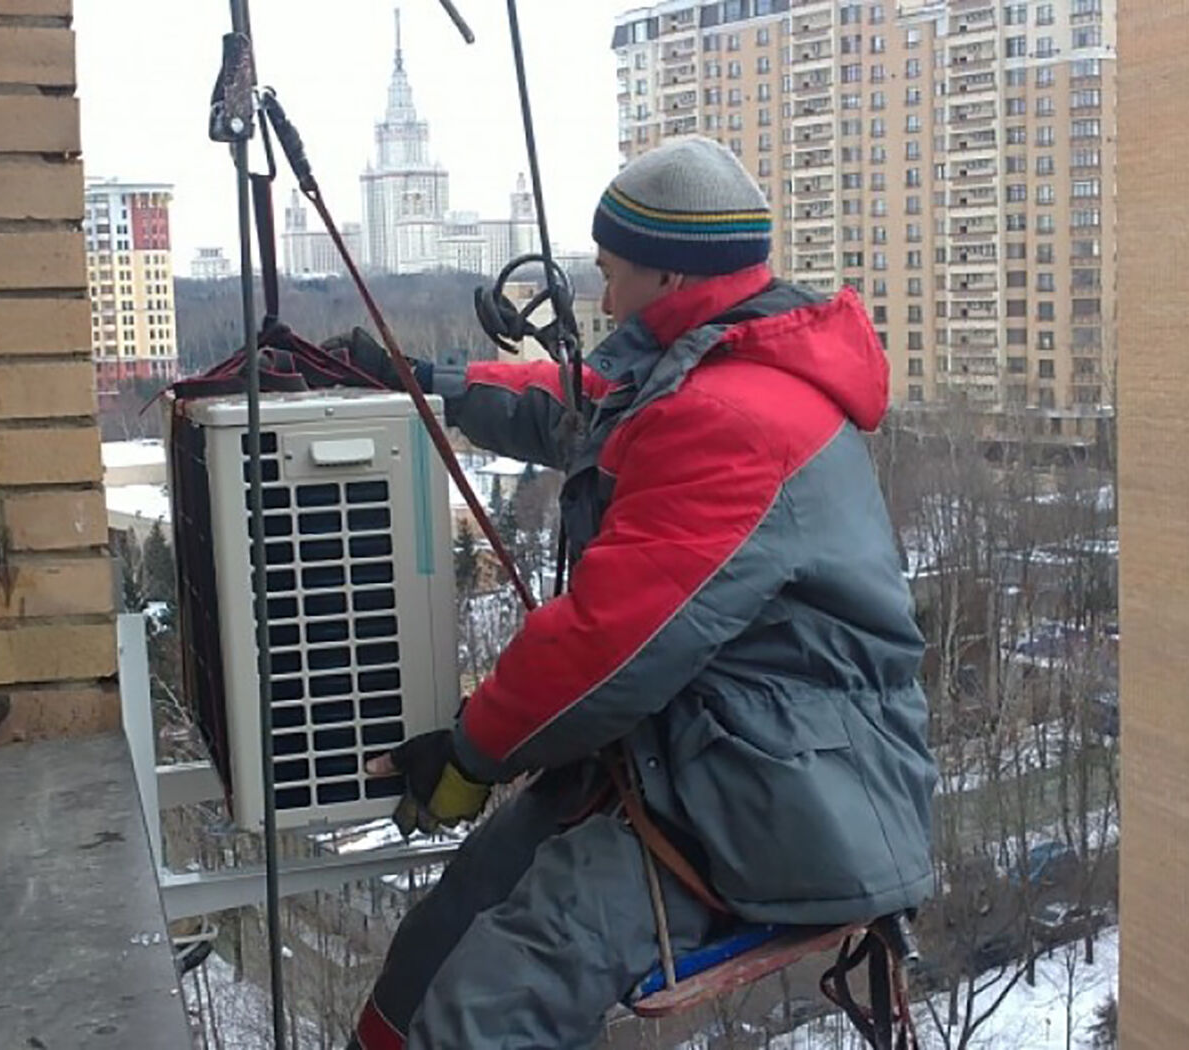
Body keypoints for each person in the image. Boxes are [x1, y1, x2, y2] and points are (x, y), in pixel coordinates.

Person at [328, 136, 937, 1050]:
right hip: (687, 755)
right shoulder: (698, 372)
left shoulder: (731, 420)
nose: (603, 299)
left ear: (665, 274)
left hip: (775, 796)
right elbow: (572, 403)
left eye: (611, 274)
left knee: (480, 1017)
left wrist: (471, 750)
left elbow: (607, 642)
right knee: (435, 946)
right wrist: (422, 385)